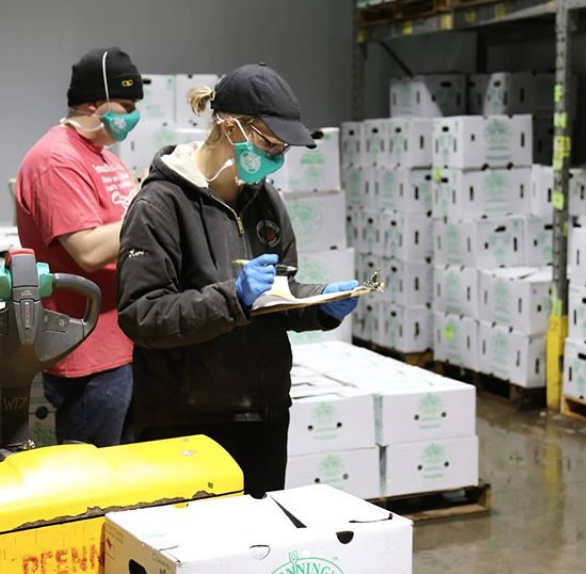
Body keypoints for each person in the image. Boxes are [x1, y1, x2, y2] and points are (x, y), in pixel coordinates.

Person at [116, 62, 358, 497]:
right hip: (189, 423)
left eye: (284, 148)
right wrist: (232, 299)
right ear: (230, 128)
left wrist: (317, 304)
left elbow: (275, 294)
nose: (277, 157)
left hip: (264, 414)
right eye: (270, 143)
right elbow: (143, 315)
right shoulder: (159, 205)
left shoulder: (266, 201)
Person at [15, 47, 143, 447]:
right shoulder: (57, 160)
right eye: (125, 105)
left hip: (121, 343)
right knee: (94, 483)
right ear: (92, 103)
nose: (132, 115)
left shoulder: (102, 157)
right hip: (89, 354)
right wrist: (151, 208)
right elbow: (87, 249)